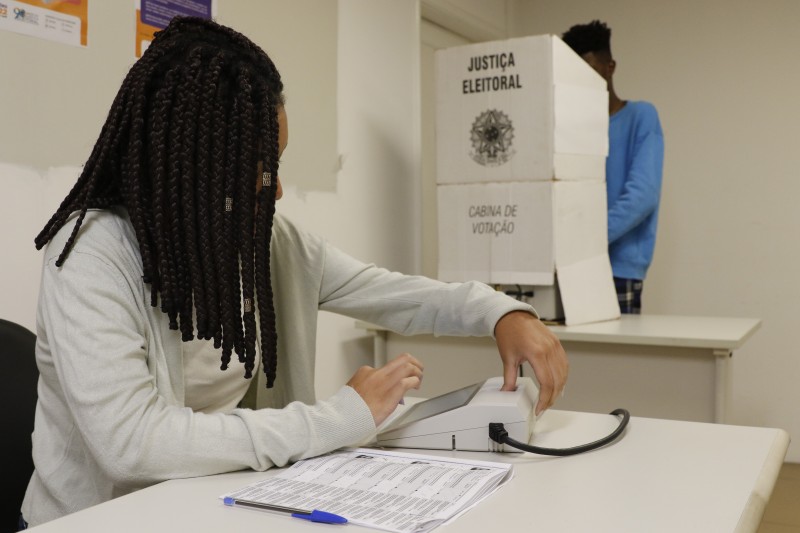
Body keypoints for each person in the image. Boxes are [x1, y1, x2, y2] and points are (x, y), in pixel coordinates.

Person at [20, 16, 568, 529]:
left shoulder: (266, 243)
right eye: (261, 169)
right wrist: (339, 416)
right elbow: (133, 443)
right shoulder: (91, 253)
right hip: (96, 521)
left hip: (205, 507)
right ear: (198, 168)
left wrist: (501, 312)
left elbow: (396, 293)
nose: (276, 188)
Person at [561, 20, 665, 314]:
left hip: (619, 268)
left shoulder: (641, 116)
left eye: (589, 71)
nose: (582, 81)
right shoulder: (572, 129)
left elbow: (642, 196)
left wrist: (586, 241)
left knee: (618, 359)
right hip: (571, 267)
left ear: (610, 67)